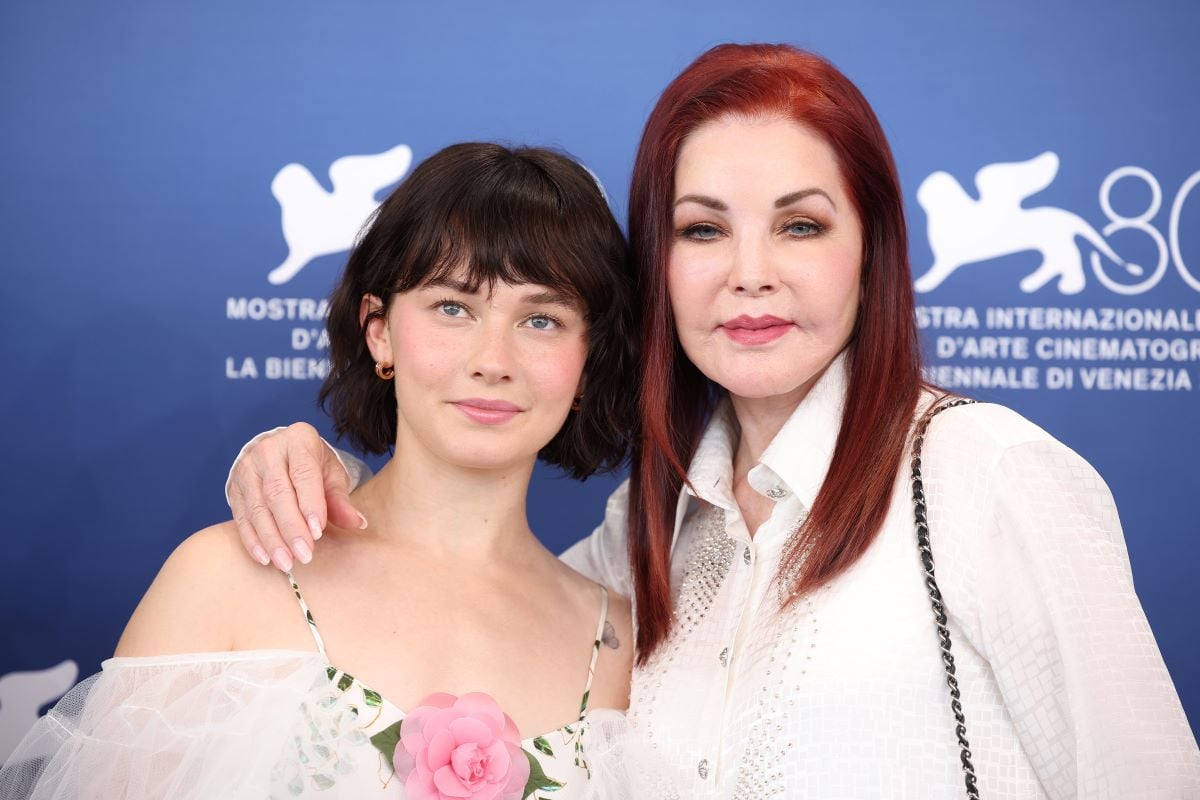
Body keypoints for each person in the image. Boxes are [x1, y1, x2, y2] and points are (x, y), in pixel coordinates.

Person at [227, 46, 1199, 797]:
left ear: (873, 252)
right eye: (703, 229)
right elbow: (466, 584)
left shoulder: (984, 476)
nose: (750, 273)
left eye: (801, 224)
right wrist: (303, 462)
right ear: (657, 263)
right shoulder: (647, 530)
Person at [0, 143, 675, 800]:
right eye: (452, 308)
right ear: (379, 331)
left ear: (588, 357)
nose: (492, 358)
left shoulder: (618, 647)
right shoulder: (226, 580)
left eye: (542, 320)